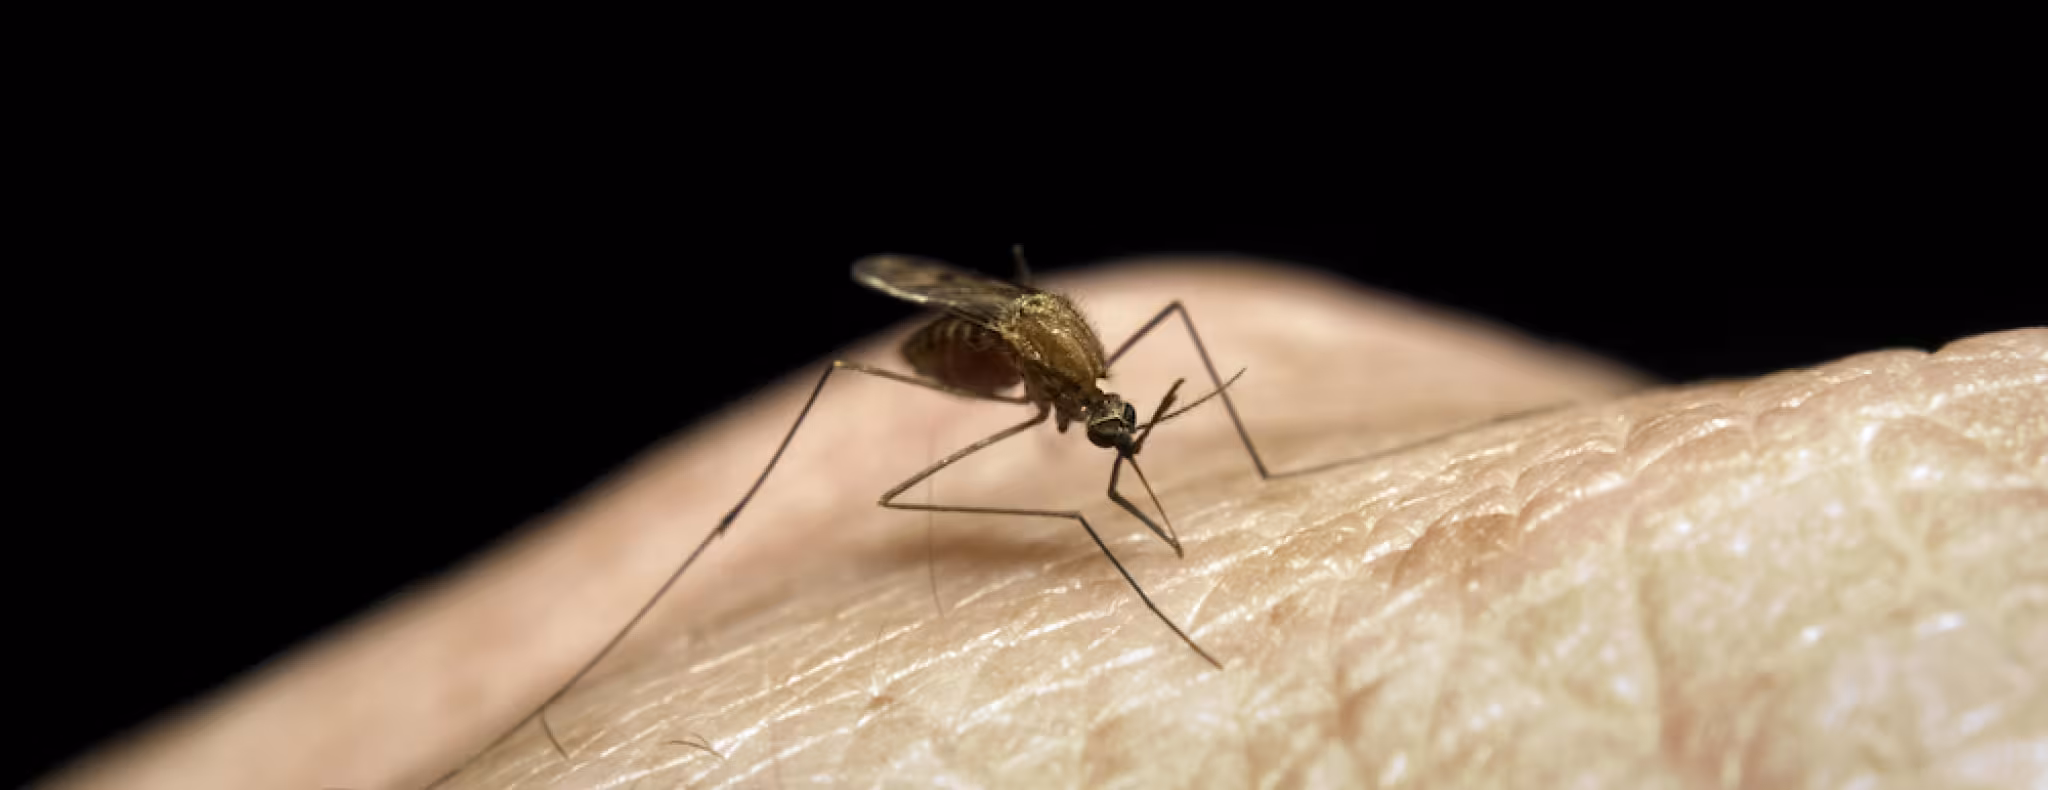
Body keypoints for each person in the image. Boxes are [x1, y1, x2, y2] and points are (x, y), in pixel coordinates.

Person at [46, 260, 2048, 789]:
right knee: (880, 400)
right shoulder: (1015, 373)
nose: (1123, 435)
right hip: (961, 344)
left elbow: (1113, 361)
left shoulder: (1118, 360)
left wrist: (1247, 482)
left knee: (1179, 326)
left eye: (1120, 423)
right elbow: (976, 326)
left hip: (1035, 318)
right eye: (1117, 425)